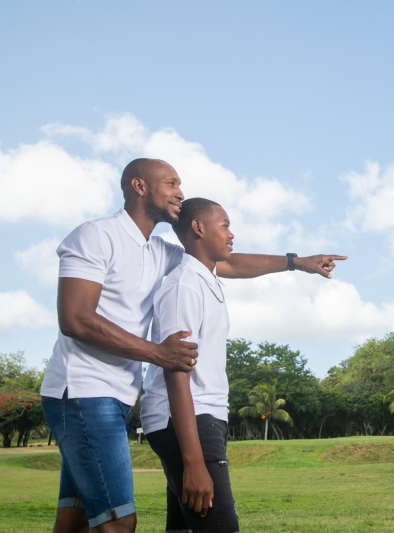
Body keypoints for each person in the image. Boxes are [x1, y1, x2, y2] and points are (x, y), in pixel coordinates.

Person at [40, 158, 345, 533]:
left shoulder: (161, 253)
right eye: (170, 183)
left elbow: (226, 264)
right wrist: (157, 353)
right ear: (139, 186)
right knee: (118, 523)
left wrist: (297, 262)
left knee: (75, 519)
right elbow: (75, 318)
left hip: (119, 396)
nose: (179, 193)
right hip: (83, 392)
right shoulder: (96, 236)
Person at [142, 198, 239, 532]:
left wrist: (295, 262)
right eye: (224, 225)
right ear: (198, 228)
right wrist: (194, 463)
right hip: (187, 420)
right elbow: (175, 370)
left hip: (202, 417)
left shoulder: (205, 280)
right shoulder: (184, 285)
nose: (231, 234)